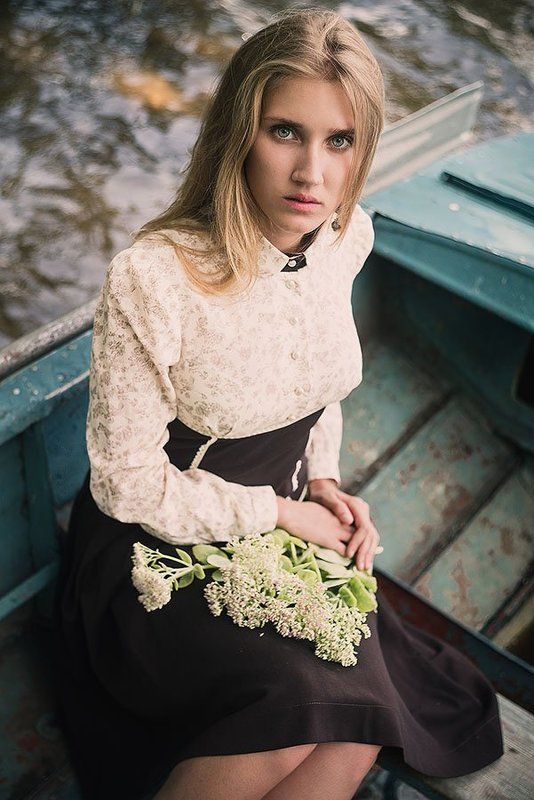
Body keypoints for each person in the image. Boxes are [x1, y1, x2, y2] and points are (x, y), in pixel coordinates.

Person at [53, 7, 504, 800]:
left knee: (357, 729)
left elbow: (316, 385)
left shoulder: (345, 238)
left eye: (340, 141)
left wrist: (323, 483)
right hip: (156, 552)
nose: (313, 176)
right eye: (285, 132)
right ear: (239, 132)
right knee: (297, 719)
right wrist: (279, 513)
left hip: (284, 521)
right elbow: (123, 484)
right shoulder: (155, 278)